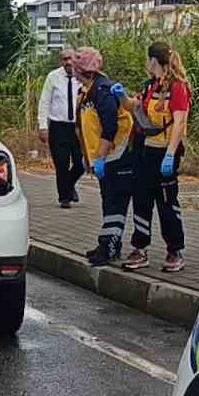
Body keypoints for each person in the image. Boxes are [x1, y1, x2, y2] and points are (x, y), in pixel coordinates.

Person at [122, 41, 191, 273]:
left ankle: (175, 250)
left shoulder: (177, 87)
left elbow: (179, 121)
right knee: (141, 200)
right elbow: (136, 107)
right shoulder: (151, 85)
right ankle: (140, 248)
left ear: (153, 61)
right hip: (145, 151)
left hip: (164, 152)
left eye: (148, 59)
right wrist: (121, 97)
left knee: (166, 203)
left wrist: (170, 155)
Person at [71, 46, 135, 266]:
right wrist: (87, 156)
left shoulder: (103, 91)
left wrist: (100, 158)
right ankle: (108, 243)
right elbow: (83, 126)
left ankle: (108, 246)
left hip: (118, 155)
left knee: (115, 201)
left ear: (82, 70)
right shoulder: (86, 92)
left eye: (75, 66)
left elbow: (110, 128)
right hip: (104, 156)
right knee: (109, 201)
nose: (72, 70)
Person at [38, 49, 85, 208]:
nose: (68, 62)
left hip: (79, 127)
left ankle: (69, 184)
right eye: (65, 59)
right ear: (61, 61)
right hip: (58, 126)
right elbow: (44, 102)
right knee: (61, 162)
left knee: (81, 163)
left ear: (76, 59)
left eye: (71, 58)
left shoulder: (83, 76)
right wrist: (43, 126)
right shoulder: (53, 77)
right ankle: (64, 198)